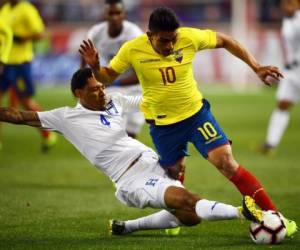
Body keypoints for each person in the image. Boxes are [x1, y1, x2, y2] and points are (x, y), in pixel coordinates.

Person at [79, 6, 297, 237]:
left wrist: (256, 67)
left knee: (226, 163)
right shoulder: (132, 49)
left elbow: (225, 40)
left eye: (173, 39)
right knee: (172, 174)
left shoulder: (188, 37)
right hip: (163, 126)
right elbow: (107, 77)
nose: (171, 45)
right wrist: (94, 67)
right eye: (164, 41)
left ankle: (275, 216)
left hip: (196, 115)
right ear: (149, 35)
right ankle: (177, 215)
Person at [0, 67, 265, 236]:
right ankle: (243, 212)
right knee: (187, 202)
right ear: (79, 93)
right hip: (130, 179)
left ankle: (127, 227)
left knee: (190, 218)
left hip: (153, 161)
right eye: (95, 89)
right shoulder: (65, 118)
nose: (102, 92)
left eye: (102, 86)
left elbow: (150, 101)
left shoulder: (114, 100)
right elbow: (18, 115)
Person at [82, 0, 144, 138]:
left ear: (124, 14)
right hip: (112, 86)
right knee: (114, 132)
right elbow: (85, 52)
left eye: (118, 13)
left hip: (135, 88)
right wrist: (82, 79)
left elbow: (141, 75)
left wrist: (113, 82)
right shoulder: (97, 32)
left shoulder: (134, 36)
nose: (114, 17)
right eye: (111, 13)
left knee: (131, 134)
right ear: (105, 14)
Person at [0, 0, 56, 152]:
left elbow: (40, 33)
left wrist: (20, 37)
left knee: (26, 101)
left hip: (20, 64)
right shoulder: (5, 9)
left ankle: (47, 134)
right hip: (4, 62)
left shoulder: (26, 9)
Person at [262, 0, 300, 154]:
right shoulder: (288, 20)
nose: (285, 6)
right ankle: (271, 144)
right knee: (282, 104)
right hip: (291, 71)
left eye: (290, 3)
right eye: (284, 3)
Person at [0, 15, 13, 150]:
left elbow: (8, 33)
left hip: (15, 63)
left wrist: (3, 58)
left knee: (25, 100)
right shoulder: (5, 11)